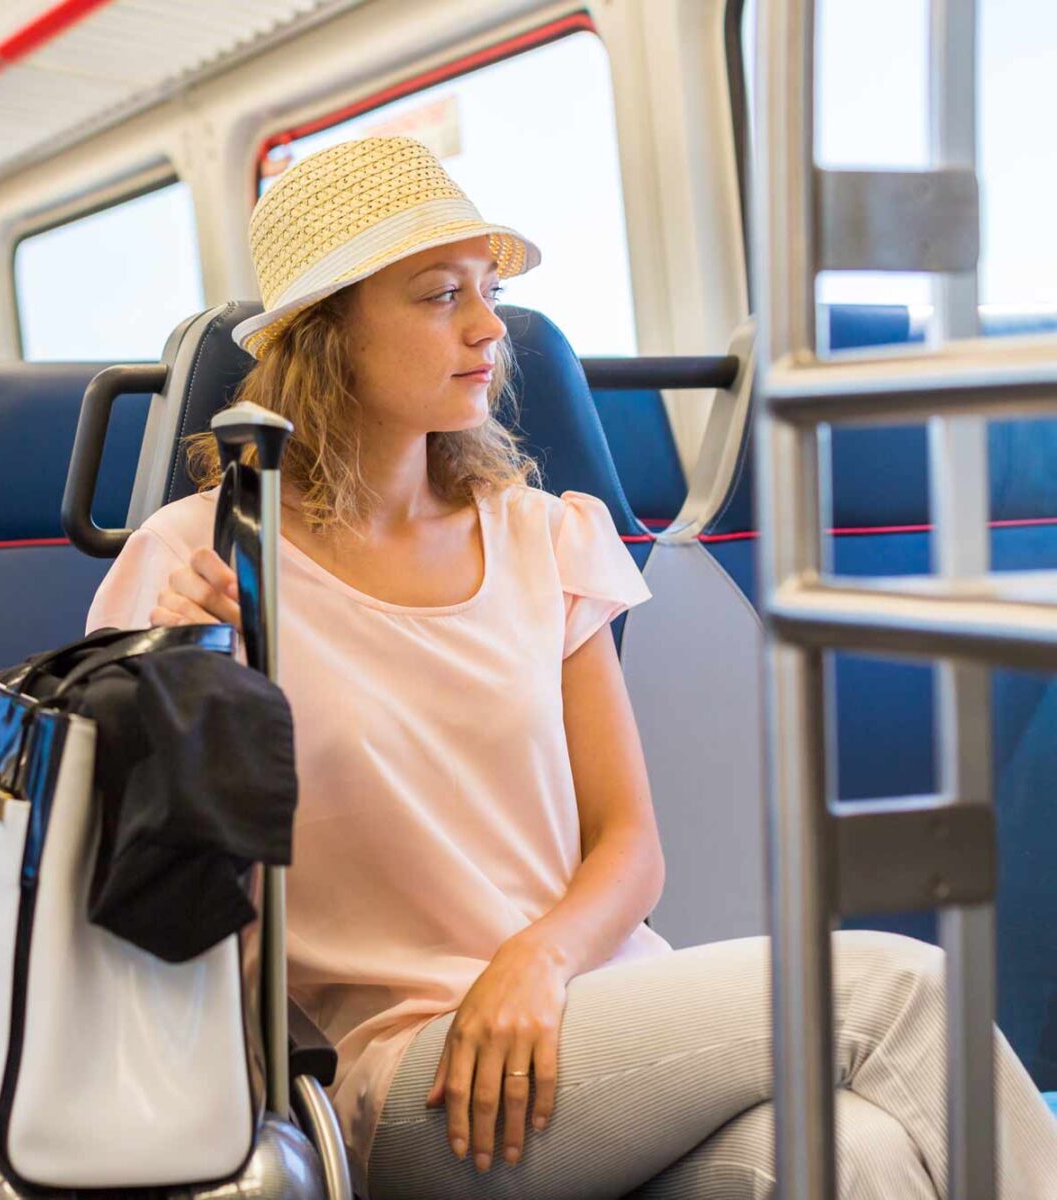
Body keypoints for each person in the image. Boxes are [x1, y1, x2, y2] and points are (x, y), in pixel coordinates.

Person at [87, 138, 1057, 1198]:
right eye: (438, 295)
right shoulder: (204, 561)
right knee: (901, 992)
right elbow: (138, 889)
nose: (489, 326)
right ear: (329, 336)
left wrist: (539, 959)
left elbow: (630, 847)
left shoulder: (544, 536)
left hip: (598, 1002)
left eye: (489, 291)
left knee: (853, 1156)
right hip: (423, 1071)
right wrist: (184, 671)